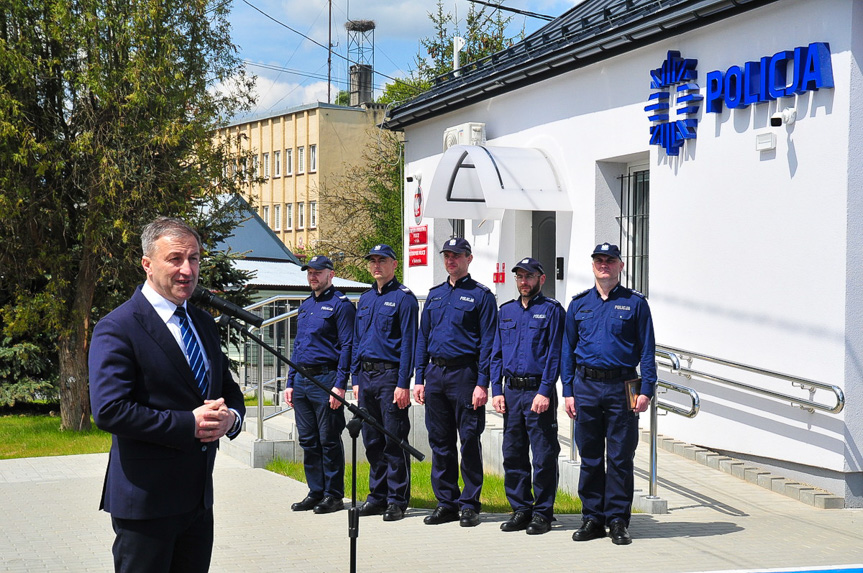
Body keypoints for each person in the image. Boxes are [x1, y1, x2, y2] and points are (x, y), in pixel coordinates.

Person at [89, 216, 246, 573]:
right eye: (175, 259)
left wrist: (231, 419)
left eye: (194, 259)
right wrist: (187, 424)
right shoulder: (118, 326)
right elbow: (110, 410)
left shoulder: (203, 323)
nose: (187, 269)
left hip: (197, 502)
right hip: (146, 504)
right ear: (147, 264)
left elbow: (228, 389)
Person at [561, 242, 656, 545]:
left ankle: (617, 520)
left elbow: (647, 351)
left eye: (610, 260)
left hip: (622, 387)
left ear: (620, 266)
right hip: (586, 386)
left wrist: (647, 389)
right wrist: (568, 390)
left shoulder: (635, 304)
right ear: (592, 266)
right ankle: (592, 518)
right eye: (599, 260)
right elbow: (568, 350)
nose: (604, 265)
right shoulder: (578, 305)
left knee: (619, 457)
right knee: (589, 456)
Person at [413, 237, 497, 527]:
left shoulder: (481, 296)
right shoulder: (435, 295)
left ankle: (470, 503)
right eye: (447, 256)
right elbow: (423, 338)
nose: (451, 260)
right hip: (435, 375)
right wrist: (419, 378)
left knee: (469, 440)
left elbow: (489, 342)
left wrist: (482, 383)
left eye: (457, 256)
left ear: (469, 258)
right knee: (440, 442)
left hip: (465, 376)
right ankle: (446, 502)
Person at [490, 257, 564, 535]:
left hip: (537, 392)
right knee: (513, 453)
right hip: (511, 392)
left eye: (529, 276)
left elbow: (555, 354)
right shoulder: (506, 311)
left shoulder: (552, 311)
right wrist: (496, 390)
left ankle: (543, 513)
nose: (524, 281)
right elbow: (496, 353)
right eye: (520, 276)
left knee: (544, 455)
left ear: (541, 279)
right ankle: (521, 509)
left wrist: (546, 390)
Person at [351, 244, 418, 522]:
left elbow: (408, 345)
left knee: (394, 439)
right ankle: (376, 496)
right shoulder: (365, 299)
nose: (376, 265)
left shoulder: (404, 299)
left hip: (390, 377)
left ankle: (396, 499)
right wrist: (355, 378)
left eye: (382, 260)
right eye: (373, 260)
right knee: (372, 440)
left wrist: (404, 383)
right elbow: (357, 341)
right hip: (366, 378)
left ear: (395, 264)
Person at [284, 255, 355, 515]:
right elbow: (298, 347)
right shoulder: (305, 305)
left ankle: (333, 495)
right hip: (302, 380)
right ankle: (315, 491)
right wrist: (290, 381)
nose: (313, 276)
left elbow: (348, 346)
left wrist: (340, 385)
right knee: (309, 441)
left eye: (318, 272)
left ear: (331, 274)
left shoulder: (341, 305)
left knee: (328, 440)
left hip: (326, 379)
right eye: (310, 272)